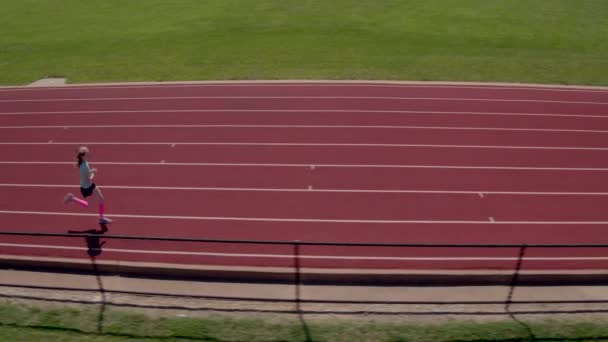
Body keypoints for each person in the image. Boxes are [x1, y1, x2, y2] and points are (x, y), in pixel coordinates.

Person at [63, 146, 111, 224]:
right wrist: (94, 173)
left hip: (90, 185)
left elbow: (88, 173)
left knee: (101, 199)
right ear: (83, 155)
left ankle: (101, 218)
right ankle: (72, 198)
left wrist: (91, 171)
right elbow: (89, 178)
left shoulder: (84, 161)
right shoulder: (84, 166)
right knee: (88, 205)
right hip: (86, 188)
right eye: (87, 152)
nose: (89, 152)